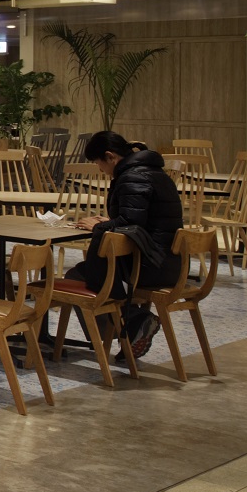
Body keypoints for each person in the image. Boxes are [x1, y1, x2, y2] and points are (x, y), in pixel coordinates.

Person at [68, 131, 182, 358]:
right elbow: (138, 221)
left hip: (150, 266)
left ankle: (132, 322)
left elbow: (131, 222)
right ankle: (131, 327)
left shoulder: (133, 177)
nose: (100, 169)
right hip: (167, 262)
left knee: (78, 275)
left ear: (110, 157)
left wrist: (99, 227)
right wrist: (110, 223)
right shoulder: (154, 172)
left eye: (98, 163)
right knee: (91, 271)